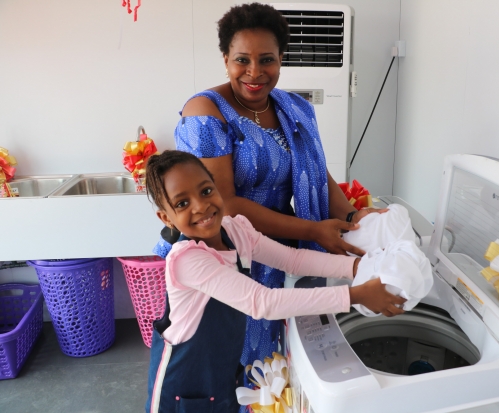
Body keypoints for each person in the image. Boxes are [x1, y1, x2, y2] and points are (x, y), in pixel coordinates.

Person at [153, 2, 387, 377]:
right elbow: (224, 204)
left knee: (269, 364)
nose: (255, 72)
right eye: (242, 60)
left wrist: (351, 215)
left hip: (270, 247)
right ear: (225, 58)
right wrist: (313, 231)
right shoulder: (205, 113)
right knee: (222, 361)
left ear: (282, 59)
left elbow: (314, 171)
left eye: (267, 60)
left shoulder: (293, 106)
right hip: (220, 250)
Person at [144, 150, 405, 413]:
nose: (200, 207)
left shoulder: (235, 230)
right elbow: (262, 302)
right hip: (181, 390)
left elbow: (293, 259)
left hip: (220, 376)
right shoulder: (188, 260)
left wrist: (358, 266)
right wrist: (356, 295)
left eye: (205, 191)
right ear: (166, 218)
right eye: (181, 204)